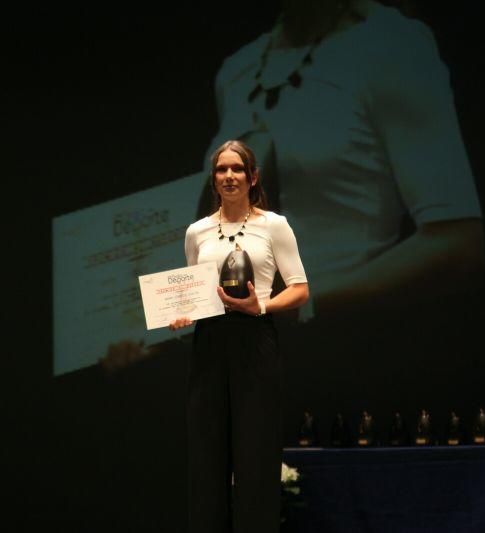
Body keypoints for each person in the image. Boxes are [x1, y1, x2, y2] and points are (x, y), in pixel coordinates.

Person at [197, 0, 484, 319]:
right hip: (247, 348)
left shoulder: (390, 47)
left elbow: (459, 245)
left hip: (349, 341)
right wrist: (140, 323)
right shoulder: (237, 71)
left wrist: (302, 305)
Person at [170, 140, 308, 533]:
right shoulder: (197, 232)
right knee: (207, 454)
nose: (229, 176)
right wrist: (181, 313)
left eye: (237, 169)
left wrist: (260, 307)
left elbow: (299, 288)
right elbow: (195, 291)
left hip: (255, 340)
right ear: (213, 179)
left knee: (256, 454)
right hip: (210, 343)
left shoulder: (274, 226)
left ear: (252, 177)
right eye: (221, 170)